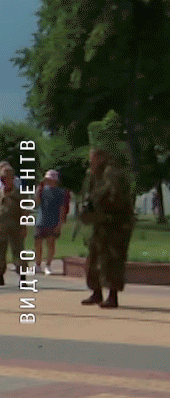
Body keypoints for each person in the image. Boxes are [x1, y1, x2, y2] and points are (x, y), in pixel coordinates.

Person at [80, 113, 136, 309]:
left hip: (116, 224)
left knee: (113, 259)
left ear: (102, 157)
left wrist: (96, 204)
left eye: (93, 157)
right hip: (100, 224)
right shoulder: (94, 175)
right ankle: (96, 292)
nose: (90, 161)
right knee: (93, 258)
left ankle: (112, 296)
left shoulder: (113, 173)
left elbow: (115, 200)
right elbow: (89, 197)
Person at [0, 163, 24, 286]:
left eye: (6, 177)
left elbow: (25, 211)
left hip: (15, 226)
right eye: (2, 178)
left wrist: (24, 226)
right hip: (0, 226)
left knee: (18, 252)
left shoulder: (19, 194)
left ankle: (23, 277)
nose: (4, 180)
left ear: (12, 178)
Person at [32, 170, 69, 275]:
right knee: (38, 244)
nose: (47, 181)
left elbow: (62, 209)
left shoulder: (60, 193)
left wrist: (60, 224)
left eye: (49, 179)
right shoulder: (42, 191)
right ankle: (37, 265)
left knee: (50, 244)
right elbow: (37, 203)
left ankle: (48, 265)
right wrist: (37, 192)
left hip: (53, 221)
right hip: (41, 221)